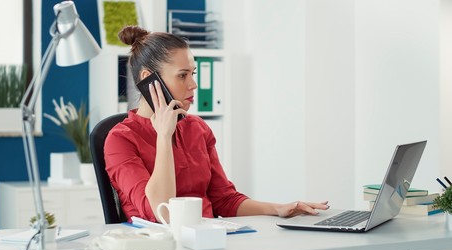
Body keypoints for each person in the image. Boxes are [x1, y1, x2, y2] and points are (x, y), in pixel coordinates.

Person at [104, 26, 329, 223]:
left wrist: (277, 209)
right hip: (159, 249)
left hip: (208, 240)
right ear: (148, 78)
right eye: (182, 76)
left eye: (192, 73)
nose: (193, 84)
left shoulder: (197, 129)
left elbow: (224, 200)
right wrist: (163, 136)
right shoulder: (120, 139)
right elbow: (162, 214)